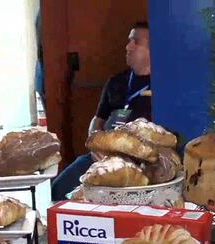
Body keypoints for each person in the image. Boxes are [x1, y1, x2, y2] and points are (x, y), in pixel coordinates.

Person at [51, 21, 151, 201]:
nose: (128, 46)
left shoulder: (164, 84)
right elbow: (98, 119)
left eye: (136, 42)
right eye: (128, 41)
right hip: (103, 158)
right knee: (60, 188)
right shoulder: (116, 82)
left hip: (141, 161)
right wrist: (95, 142)